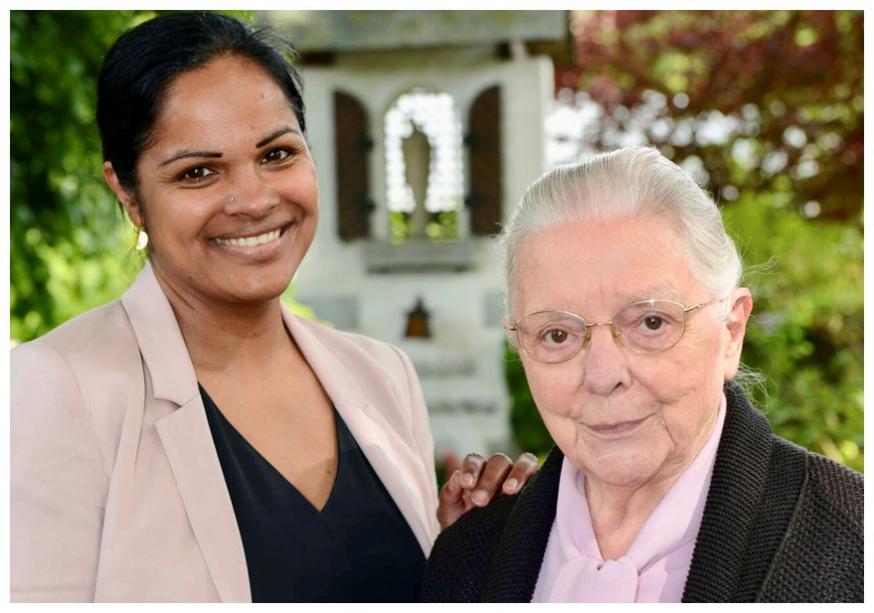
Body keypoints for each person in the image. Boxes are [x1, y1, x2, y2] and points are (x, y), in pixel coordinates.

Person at [10, 12, 538, 603]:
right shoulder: (59, 389)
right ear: (129, 195)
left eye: (277, 154)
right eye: (199, 172)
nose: (255, 199)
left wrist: (463, 551)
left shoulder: (383, 376)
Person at [421, 147, 863, 602]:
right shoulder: (467, 560)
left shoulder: (853, 551)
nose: (603, 374)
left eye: (651, 322)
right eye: (557, 334)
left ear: (731, 330)